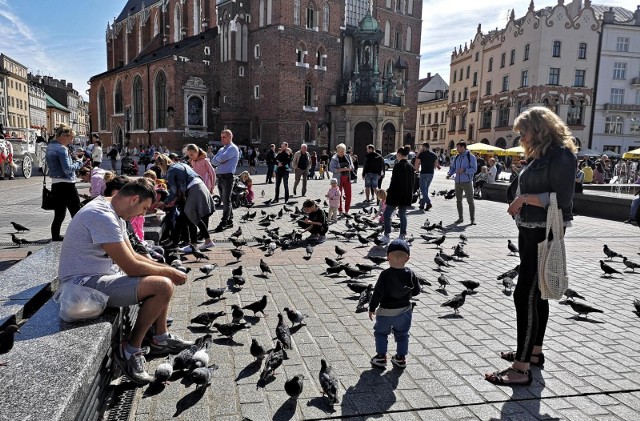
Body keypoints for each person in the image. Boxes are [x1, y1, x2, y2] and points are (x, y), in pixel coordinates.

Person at [57, 177, 193, 385]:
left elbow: (135, 257)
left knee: (161, 277)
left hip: (98, 277)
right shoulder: (101, 216)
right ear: (134, 199)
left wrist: (166, 269)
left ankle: (160, 338)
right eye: (144, 208)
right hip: (81, 288)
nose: (143, 214)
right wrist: (169, 274)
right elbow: (131, 266)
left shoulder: (113, 210)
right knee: (162, 285)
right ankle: (130, 350)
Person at [486, 106, 577, 386]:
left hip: (542, 233)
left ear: (538, 129)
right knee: (536, 295)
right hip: (529, 231)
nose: (520, 138)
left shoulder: (561, 155)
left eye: (523, 132)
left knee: (524, 294)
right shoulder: (541, 155)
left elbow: (561, 199)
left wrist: (523, 198)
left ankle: (520, 368)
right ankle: (533, 352)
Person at [368, 239, 420, 369]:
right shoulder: (411, 273)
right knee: (402, 334)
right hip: (404, 312)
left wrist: (372, 307)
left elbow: (378, 293)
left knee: (381, 333)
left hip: (386, 312)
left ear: (388, 257)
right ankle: (401, 358)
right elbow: (417, 291)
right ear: (407, 258)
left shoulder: (385, 275)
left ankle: (381, 357)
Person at [156, 154, 215, 251]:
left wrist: (164, 203)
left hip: (194, 189)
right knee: (189, 216)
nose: (160, 169)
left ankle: (191, 244)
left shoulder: (171, 171)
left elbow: (173, 191)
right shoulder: (180, 164)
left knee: (189, 216)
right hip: (200, 186)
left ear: (162, 164)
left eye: (160, 167)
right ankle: (198, 243)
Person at [45, 124, 85, 241]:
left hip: (56, 184)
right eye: (71, 138)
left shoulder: (50, 147)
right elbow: (67, 169)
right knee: (76, 211)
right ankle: (81, 235)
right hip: (67, 184)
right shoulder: (62, 149)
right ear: (63, 136)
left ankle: (55, 236)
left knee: (59, 213)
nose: (72, 141)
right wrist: (79, 163)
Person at [378, 147, 414, 244]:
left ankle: (387, 235)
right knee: (402, 215)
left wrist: (388, 192)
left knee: (386, 214)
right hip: (406, 195)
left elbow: (394, 182)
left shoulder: (398, 166)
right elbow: (412, 183)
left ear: (398, 154)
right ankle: (402, 235)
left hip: (396, 194)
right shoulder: (411, 166)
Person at [211, 129, 239, 231]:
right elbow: (213, 161)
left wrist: (220, 160)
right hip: (220, 177)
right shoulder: (221, 149)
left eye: (224, 137)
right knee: (225, 200)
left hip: (228, 177)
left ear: (230, 137)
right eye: (221, 137)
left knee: (226, 201)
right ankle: (229, 221)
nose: (222, 139)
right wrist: (220, 160)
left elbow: (220, 159)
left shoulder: (233, 148)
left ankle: (224, 222)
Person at [447, 141, 478, 225]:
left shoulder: (471, 157)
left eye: (458, 147)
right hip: (457, 182)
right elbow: (453, 167)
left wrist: (464, 170)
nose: (456, 149)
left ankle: (472, 219)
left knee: (470, 201)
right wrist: (450, 173)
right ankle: (460, 218)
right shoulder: (456, 157)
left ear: (463, 147)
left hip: (467, 182)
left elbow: (474, 169)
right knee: (458, 201)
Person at [329, 143, 354, 215]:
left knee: (349, 194)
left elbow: (352, 166)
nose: (341, 153)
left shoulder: (348, 156)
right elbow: (331, 169)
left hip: (347, 178)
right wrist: (341, 169)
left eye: (343, 151)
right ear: (337, 151)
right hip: (338, 179)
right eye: (340, 151)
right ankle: (340, 210)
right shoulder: (334, 158)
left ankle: (346, 210)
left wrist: (350, 168)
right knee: (338, 195)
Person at [414, 142, 439, 211]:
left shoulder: (421, 154)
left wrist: (416, 170)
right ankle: (422, 204)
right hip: (431, 173)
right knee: (426, 189)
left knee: (423, 189)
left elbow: (417, 163)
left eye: (422, 147)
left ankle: (428, 203)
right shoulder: (434, 154)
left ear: (424, 147)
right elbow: (435, 164)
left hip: (424, 173)